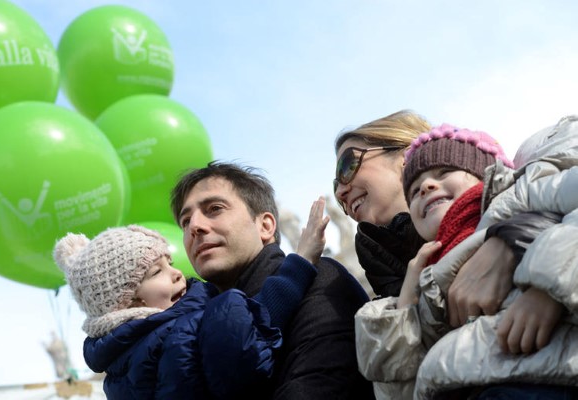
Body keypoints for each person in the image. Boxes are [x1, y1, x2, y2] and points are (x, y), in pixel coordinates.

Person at [356, 120, 578, 399]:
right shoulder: (428, 278)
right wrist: (404, 309)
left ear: (485, 176)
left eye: (444, 171)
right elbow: (401, 392)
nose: (425, 186)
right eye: (413, 191)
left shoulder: (523, 195)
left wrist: (546, 289)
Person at [53, 201, 327, 400]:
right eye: (156, 272)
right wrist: (301, 261)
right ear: (128, 302)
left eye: (169, 263)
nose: (176, 273)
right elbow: (252, 330)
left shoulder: (124, 361)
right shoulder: (176, 334)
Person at [170, 161, 374, 399]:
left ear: (265, 226)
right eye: (185, 221)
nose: (194, 226)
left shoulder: (321, 283)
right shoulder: (187, 325)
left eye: (215, 208)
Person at [333, 110, 520, 329]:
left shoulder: (522, 205)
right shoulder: (380, 288)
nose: (340, 193)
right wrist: (405, 314)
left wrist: (512, 241)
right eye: (335, 186)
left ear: (406, 157)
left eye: (347, 166)